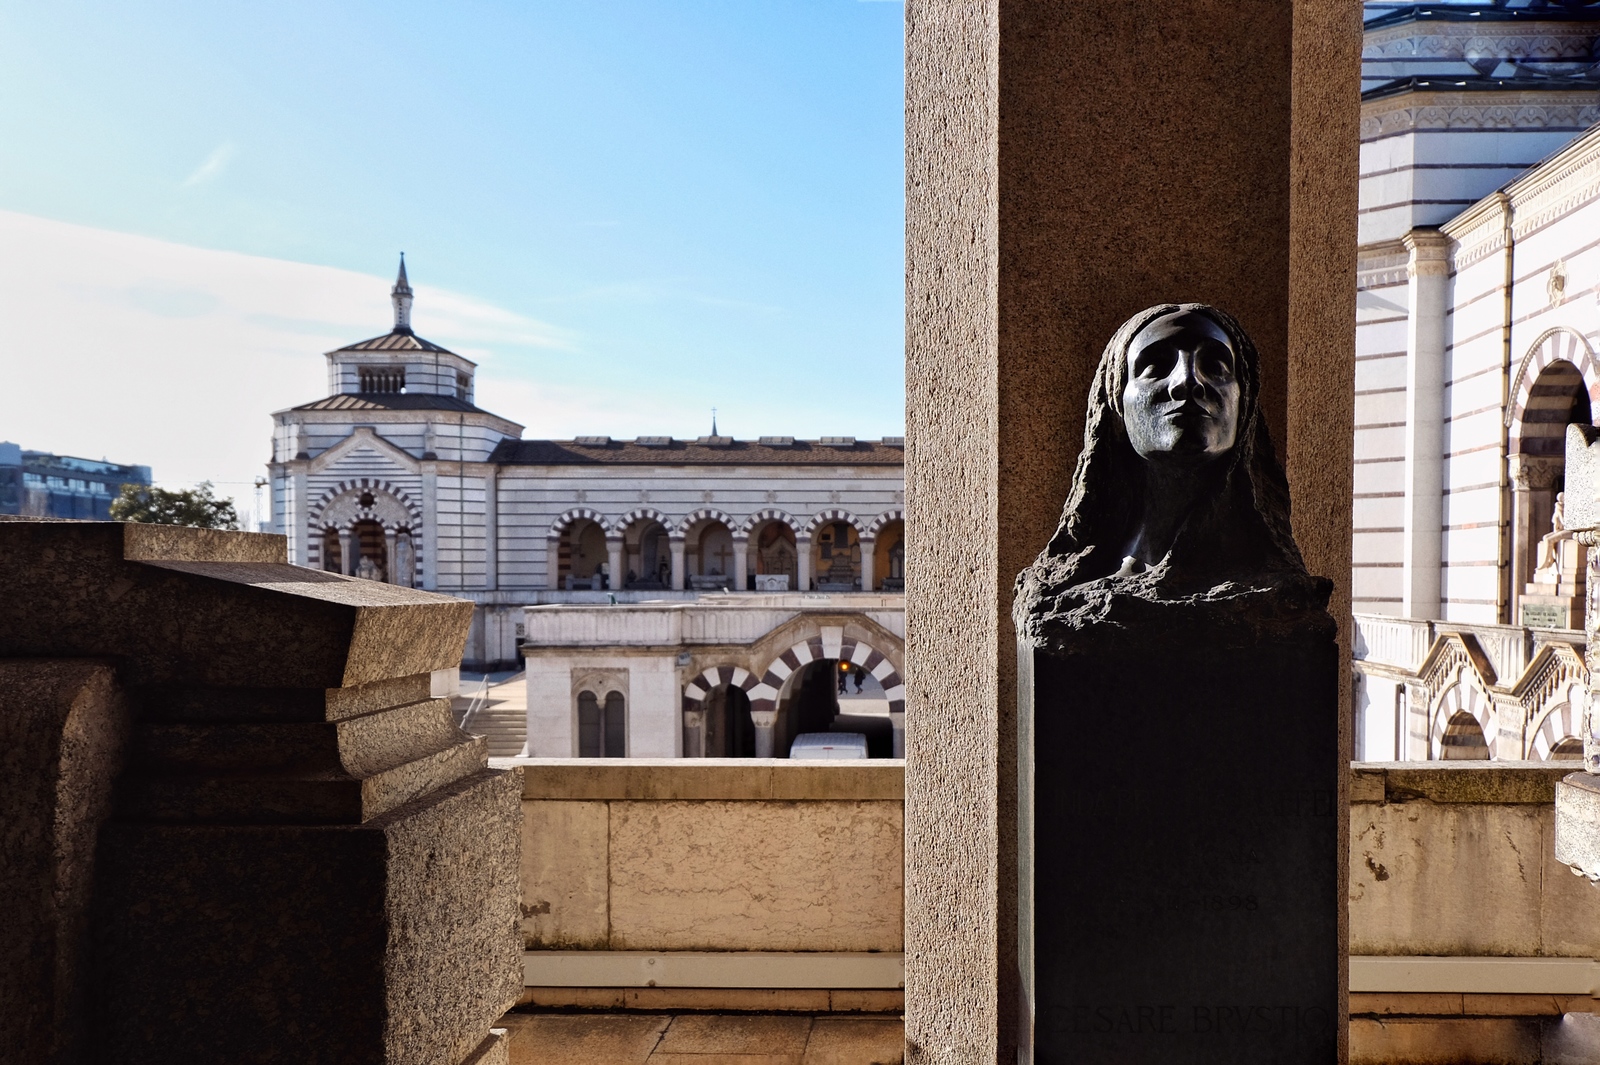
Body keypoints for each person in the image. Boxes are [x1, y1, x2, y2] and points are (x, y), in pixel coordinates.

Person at [1015, 303, 1330, 648]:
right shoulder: (1061, 592)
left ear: (1245, 405)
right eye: (1154, 365)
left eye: (1216, 366)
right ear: (1116, 405)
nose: (1187, 382)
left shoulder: (1281, 597)